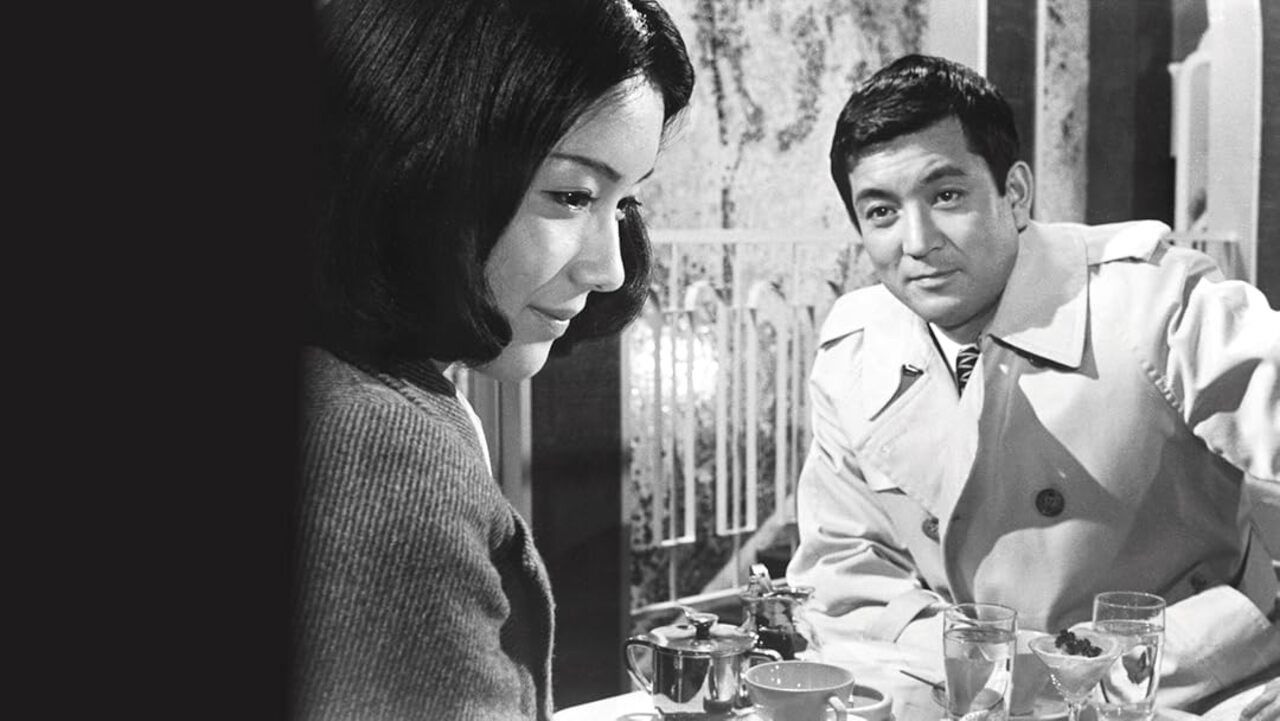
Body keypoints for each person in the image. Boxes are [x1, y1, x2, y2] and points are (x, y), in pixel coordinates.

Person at [786, 53, 1279, 714]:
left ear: (1015, 194)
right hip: (974, 695)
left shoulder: (1154, 301)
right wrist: (1007, 675)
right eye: (881, 212)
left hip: (1186, 691)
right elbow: (845, 577)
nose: (917, 241)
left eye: (946, 195)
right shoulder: (855, 351)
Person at [291, 1, 693, 719]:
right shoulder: (381, 447)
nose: (609, 268)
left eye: (625, 205)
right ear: (417, 164)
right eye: (572, 195)